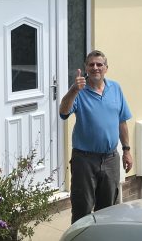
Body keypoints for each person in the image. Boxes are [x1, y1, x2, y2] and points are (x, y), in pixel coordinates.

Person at [59, 50, 133, 224]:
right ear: (85, 68)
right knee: (82, 209)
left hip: (110, 158)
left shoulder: (115, 88)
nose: (95, 68)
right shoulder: (79, 91)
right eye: (91, 64)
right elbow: (63, 113)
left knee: (109, 210)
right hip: (84, 160)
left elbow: (122, 121)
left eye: (99, 64)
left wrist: (127, 150)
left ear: (106, 68)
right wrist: (73, 90)